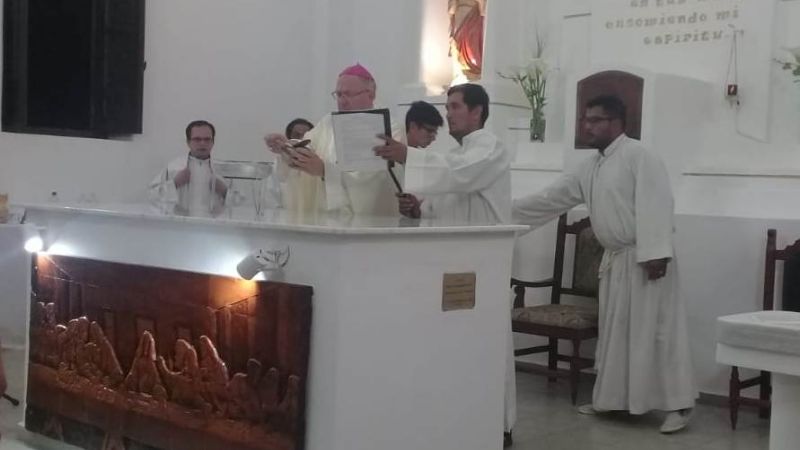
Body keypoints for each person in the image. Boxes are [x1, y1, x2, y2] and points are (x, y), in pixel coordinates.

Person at [512, 95, 697, 433]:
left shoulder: (640, 155)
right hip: (616, 263)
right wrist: (502, 213)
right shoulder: (591, 165)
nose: (587, 126)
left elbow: (657, 203)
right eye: (585, 120)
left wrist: (656, 253)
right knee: (619, 336)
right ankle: (613, 402)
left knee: (656, 334)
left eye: (595, 120)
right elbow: (550, 199)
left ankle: (678, 406)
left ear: (616, 123)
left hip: (645, 260)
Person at [374, 83, 515, 447]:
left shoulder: (490, 148)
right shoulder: (459, 154)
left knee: (482, 347)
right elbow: (447, 200)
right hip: (452, 264)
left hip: (482, 266)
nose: (448, 113)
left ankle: (493, 423)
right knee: (454, 348)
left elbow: (460, 176)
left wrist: (409, 156)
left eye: (454, 106)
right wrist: (420, 209)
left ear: (477, 111)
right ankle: (457, 417)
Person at [264, 64, 404, 216]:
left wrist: (325, 171)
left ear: (370, 94)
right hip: (322, 218)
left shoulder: (389, 127)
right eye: (339, 94)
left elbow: (374, 180)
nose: (342, 101)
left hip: (367, 222)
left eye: (349, 94)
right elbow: (307, 145)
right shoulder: (328, 122)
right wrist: (287, 147)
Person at [149, 120, 228, 216]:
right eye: (197, 139)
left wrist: (225, 191)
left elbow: (242, 205)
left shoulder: (223, 170)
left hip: (214, 225)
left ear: (213, 142)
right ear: (188, 142)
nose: (202, 143)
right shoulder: (174, 167)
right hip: (181, 225)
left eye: (207, 139)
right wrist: (175, 183)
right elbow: (152, 196)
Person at [449, 0, 486, 81]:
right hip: (459, 16)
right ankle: (459, 73)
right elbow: (451, 10)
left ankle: (472, 71)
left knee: (471, 46)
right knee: (457, 45)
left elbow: (483, 11)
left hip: (473, 16)